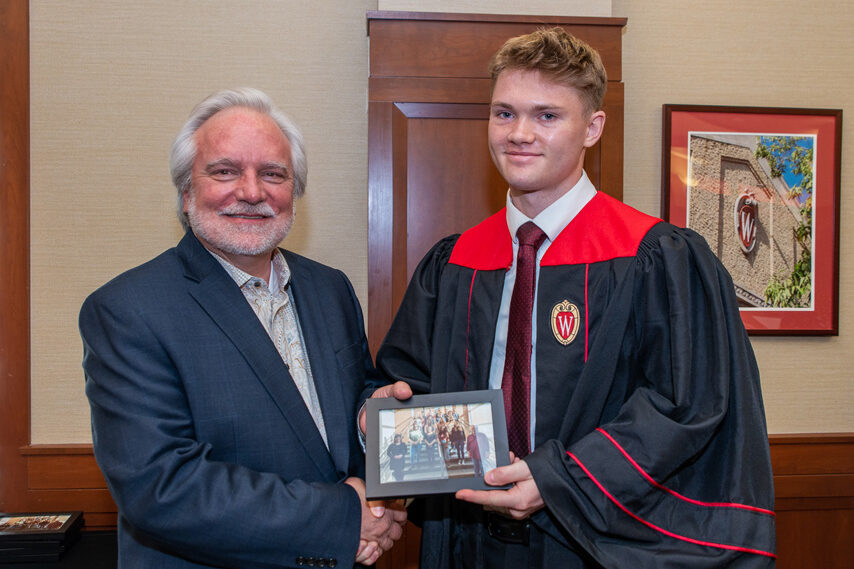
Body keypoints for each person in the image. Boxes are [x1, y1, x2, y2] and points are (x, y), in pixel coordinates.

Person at [376, 28, 776, 568]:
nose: (520, 134)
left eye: (547, 115)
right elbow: (411, 379)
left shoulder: (656, 258)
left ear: (592, 128)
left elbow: (687, 404)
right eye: (504, 113)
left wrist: (558, 480)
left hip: (596, 540)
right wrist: (390, 412)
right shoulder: (455, 262)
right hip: (469, 538)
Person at [80, 87, 406, 569]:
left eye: (273, 174)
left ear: (293, 192)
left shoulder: (329, 288)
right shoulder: (128, 309)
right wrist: (343, 518)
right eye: (225, 171)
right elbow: (162, 488)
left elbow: (353, 395)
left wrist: (368, 422)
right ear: (187, 191)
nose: (252, 192)